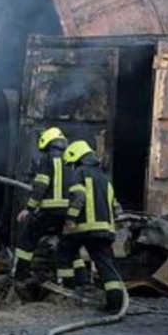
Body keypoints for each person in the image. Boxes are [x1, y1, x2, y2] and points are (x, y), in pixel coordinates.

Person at [13, 127, 88, 285]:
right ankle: (79, 282)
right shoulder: (73, 160)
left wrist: (29, 208)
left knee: (27, 240)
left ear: (47, 143)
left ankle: (19, 276)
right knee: (70, 247)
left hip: (50, 211)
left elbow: (41, 185)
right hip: (69, 213)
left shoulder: (47, 159)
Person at [58, 140, 126, 312]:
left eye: (72, 163)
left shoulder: (79, 173)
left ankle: (67, 290)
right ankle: (115, 303)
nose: (72, 167)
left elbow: (79, 198)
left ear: (77, 158)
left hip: (85, 228)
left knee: (64, 250)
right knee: (105, 264)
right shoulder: (104, 177)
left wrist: (70, 220)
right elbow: (116, 206)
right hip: (105, 230)